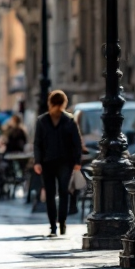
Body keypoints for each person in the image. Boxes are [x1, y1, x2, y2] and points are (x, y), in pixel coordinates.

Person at [33, 90, 83, 236]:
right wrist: (37, 161)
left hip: (65, 162)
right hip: (47, 162)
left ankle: (62, 223)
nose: (56, 108)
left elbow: (76, 142)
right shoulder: (42, 121)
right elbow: (37, 143)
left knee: (63, 192)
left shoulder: (69, 120)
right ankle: (53, 226)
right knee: (50, 194)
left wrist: (77, 161)